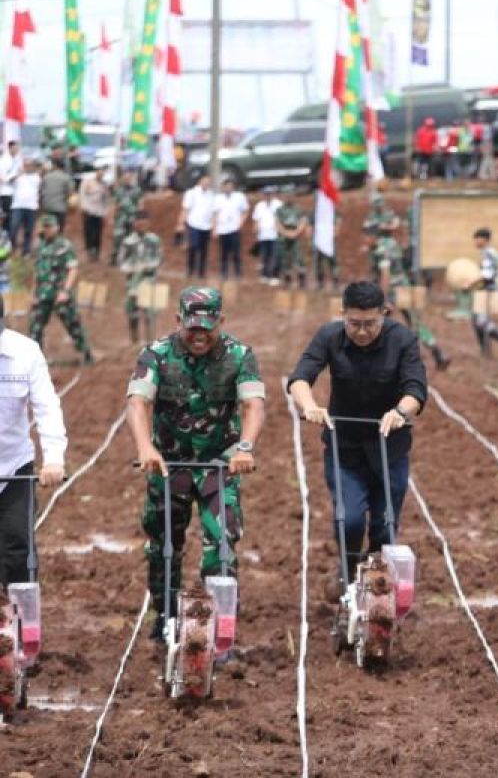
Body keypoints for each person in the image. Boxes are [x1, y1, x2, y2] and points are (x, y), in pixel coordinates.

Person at [126, 287, 265, 640]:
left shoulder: (239, 355)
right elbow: (139, 402)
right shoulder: (155, 355)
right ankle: (165, 612)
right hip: (168, 465)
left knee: (221, 543)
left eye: (208, 328)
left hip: (220, 465)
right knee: (163, 545)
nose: (199, 335)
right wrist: (146, 448)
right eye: (192, 328)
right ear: (178, 322)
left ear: (221, 322)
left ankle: (218, 625)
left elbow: (253, 405)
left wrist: (245, 447)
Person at [289, 281, 428, 595]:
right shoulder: (329, 336)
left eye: (370, 324)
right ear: (343, 315)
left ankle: (376, 583)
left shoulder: (403, 340)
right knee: (348, 519)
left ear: (384, 314)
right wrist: (309, 405)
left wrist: (400, 412)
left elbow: (416, 388)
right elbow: (300, 376)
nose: (362, 332)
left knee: (385, 525)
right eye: (354, 324)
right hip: (345, 448)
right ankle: (348, 568)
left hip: (389, 448)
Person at [0, 294, 67, 586]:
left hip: (13, 467)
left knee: (17, 547)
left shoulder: (25, 352)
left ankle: (22, 622)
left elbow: (46, 406)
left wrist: (53, 459)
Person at [365, 222, 450, 370]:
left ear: (373, 236)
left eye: (366, 236)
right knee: (415, 321)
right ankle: (438, 353)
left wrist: (383, 299)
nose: (365, 240)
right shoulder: (391, 243)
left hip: (393, 290)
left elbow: (385, 275)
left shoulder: (381, 250)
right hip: (405, 286)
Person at [28, 215, 93, 364]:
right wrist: (33, 293)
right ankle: (35, 359)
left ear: (57, 227)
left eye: (50, 226)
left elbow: (73, 269)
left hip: (60, 293)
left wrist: (65, 291)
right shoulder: (40, 246)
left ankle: (86, 354)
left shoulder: (64, 245)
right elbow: (36, 272)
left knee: (73, 324)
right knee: (35, 328)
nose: (48, 230)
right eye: (45, 227)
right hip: (42, 294)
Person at [117, 210, 163, 345]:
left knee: (150, 313)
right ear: (134, 223)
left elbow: (159, 258)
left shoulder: (154, 240)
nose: (141, 224)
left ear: (148, 223)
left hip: (149, 281)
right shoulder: (128, 241)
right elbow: (121, 261)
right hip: (132, 282)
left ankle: (150, 342)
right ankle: (134, 341)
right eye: (138, 221)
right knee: (132, 313)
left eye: (144, 221)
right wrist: (131, 268)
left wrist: (148, 266)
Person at [470, 227, 498, 358]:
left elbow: (487, 276)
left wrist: (471, 284)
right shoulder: (488, 253)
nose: (475, 241)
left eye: (477, 238)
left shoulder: (488, 254)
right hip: (486, 291)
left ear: (484, 239)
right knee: (477, 322)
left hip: (487, 292)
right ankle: (486, 352)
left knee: (481, 322)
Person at [179, 173, 215, 278]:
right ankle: (190, 269)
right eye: (204, 182)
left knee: (204, 249)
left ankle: (201, 272)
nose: (206, 184)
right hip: (193, 223)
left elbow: (213, 212)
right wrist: (181, 223)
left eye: (208, 182)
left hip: (206, 226)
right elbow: (185, 209)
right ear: (199, 182)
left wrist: (213, 227)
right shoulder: (191, 193)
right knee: (193, 247)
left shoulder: (211, 195)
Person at [213, 178, 248, 280]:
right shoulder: (218, 198)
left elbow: (245, 211)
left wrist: (241, 222)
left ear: (233, 187)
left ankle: (237, 273)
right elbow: (215, 214)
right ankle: (224, 272)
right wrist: (214, 229)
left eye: (230, 186)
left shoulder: (239, 197)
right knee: (223, 252)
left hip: (234, 228)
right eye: (226, 186)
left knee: (236, 252)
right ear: (223, 187)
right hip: (222, 229)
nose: (228, 188)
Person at [275, 189, 309, 289]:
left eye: (290, 195)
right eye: (287, 195)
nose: (289, 197)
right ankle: (287, 281)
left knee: (299, 258)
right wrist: (286, 233)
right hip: (284, 239)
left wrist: (296, 232)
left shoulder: (298, 209)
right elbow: (277, 224)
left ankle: (302, 281)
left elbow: (303, 222)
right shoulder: (280, 210)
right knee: (285, 260)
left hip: (296, 238)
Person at [110, 169, 143, 267]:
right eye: (125, 178)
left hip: (132, 217)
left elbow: (140, 204)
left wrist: (139, 218)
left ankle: (129, 258)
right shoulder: (118, 190)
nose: (127, 180)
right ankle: (114, 257)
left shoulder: (137, 190)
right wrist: (112, 217)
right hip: (120, 217)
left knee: (131, 238)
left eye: (129, 178)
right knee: (118, 237)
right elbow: (114, 204)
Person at [251, 187, 282, 284]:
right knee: (264, 256)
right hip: (262, 235)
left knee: (274, 256)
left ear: (273, 194)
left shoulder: (278, 204)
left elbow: (281, 219)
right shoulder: (259, 205)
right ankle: (265, 275)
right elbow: (256, 220)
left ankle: (274, 276)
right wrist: (255, 231)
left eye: (270, 194)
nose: (268, 196)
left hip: (275, 234)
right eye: (266, 194)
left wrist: (281, 230)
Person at [79, 169, 110, 262]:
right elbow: (82, 195)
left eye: (103, 173)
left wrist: (105, 213)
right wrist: (83, 207)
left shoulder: (104, 185)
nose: (101, 174)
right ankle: (89, 250)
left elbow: (106, 200)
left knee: (98, 233)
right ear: (96, 172)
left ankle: (96, 251)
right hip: (89, 211)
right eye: (99, 172)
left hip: (99, 212)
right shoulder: (88, 182)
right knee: (89, 232)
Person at [9, 160, 39, 256]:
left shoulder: (37, 177)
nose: (28, 167)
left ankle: (26, 251)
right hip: (17, 206)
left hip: (31, 207)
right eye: (26, 165)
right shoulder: (18, 176)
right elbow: (9, 180)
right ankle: (12, 246)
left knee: (29, 230)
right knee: (13, 227)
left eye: (30, 165)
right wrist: (18, 174)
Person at [39, 158, 71, 229]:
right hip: (60, 208)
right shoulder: (66, 178)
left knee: (47, 228)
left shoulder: (46, 177)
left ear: (55, 166)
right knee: (59, 228)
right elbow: (69, 193)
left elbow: (41, 192)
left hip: (47, 207)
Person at [0, 140, 23, 230]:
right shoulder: (3, 161)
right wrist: (17, 175)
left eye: (18, 148)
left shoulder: (17, 160)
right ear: (10, 148)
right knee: (7, 216)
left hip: (15, 193)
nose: (17, 150)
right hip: (6, 193)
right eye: (15, 148)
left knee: (13, 217)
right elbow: (4, 178)